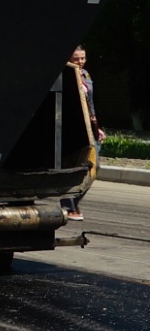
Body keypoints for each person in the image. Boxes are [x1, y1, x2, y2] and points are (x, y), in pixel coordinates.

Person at [65, 45, 104, 222]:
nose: (80, 62)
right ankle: (69, 205)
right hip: (72, 127)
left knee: (94, 168)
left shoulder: (85, 75)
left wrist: (97, 127)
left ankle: (72, 201)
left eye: (83, 58)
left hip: (89, 126)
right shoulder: (65, 75)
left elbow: (90, 103)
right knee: (74, 166)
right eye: (76, 59)